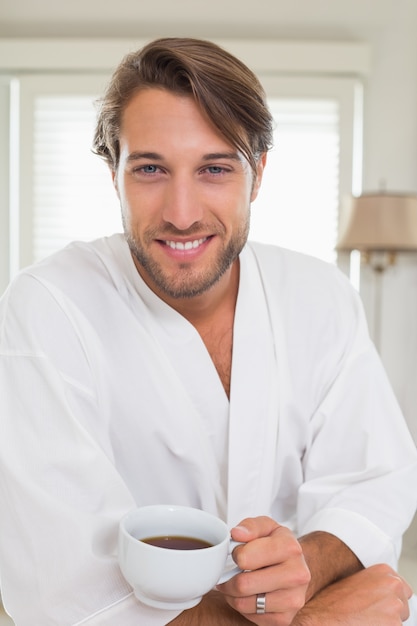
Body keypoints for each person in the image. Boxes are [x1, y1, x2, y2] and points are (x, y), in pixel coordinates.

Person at [0, 37, 416, 626]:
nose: (182, 212)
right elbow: (67, 589)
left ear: (259, 173)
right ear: (111, 171)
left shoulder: (320, 298)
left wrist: (302, 565)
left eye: (215, 168)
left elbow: (371, 483)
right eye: (150, 169)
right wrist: (315, 619)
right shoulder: (47, 309)